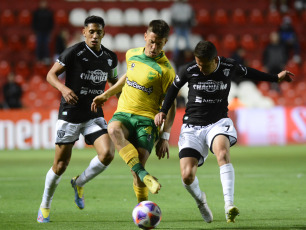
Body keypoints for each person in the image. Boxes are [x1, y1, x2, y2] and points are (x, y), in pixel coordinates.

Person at [154, 41, 294, 223]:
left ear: (215, 60)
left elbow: (249, 72)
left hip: (217, 123)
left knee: (222, 153)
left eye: (204, 65)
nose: (201, 68)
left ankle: (229, 205)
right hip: (192, 127)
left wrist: (275, 78)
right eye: (198, 63)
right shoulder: (189, 70)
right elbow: (173, 90)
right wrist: (163, 111)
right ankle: (200, 201)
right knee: (187, 176)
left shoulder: (228, 66)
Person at [37, 15, 118, 223]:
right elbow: (50, 75)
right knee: (61, 164)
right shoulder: (74, 52)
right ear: (84, 32)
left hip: (93, 114)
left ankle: (79, 182)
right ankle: (45, 205)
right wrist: (64, 89)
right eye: (91, 31)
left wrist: (123, 101)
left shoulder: (110, 57)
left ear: (103, 33)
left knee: (108, 153)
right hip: (71, 113)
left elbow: (114, 82)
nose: (94, 35)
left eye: (98, 32)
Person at [91, 20, 176, 203]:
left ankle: (142, 206)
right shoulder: (132, 54)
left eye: (159, 44)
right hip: (124, 113)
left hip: (147, 121)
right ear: (145, 36)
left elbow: (172, 105)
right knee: (113, 129)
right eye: (151, 41)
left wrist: (165, 137)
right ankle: (145, 175)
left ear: (165, 43)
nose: (153, 47)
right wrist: (107, 94)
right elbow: (128, 77)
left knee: (136, 170)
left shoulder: (166, 71)